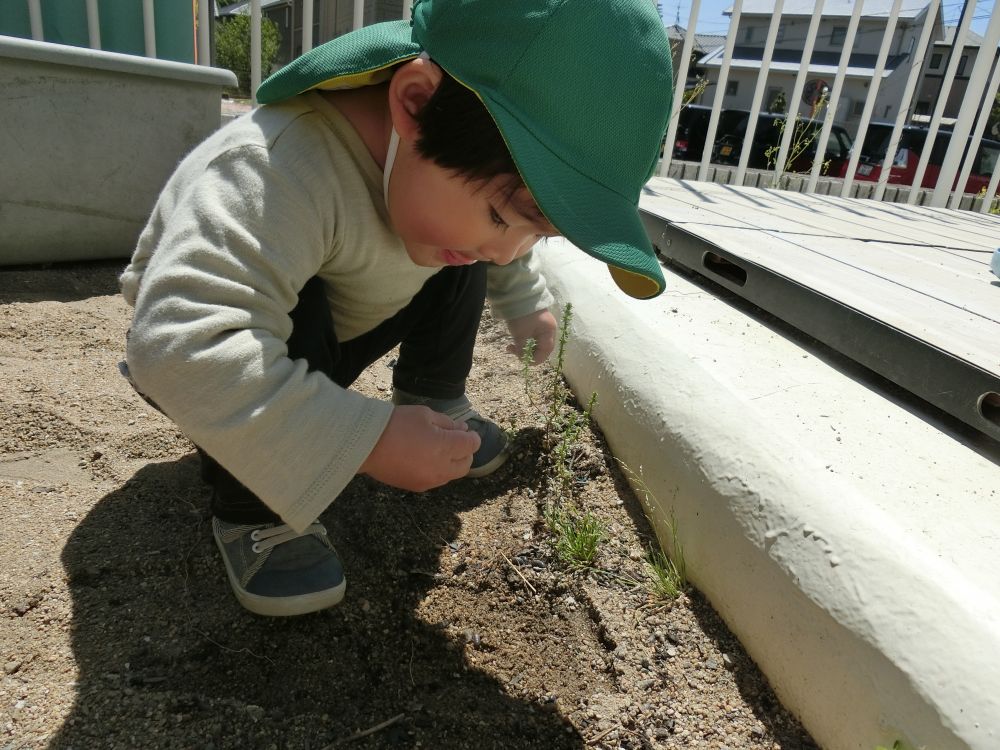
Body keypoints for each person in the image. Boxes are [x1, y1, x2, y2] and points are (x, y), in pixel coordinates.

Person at [119, 0, 673, 617]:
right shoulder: (275, 167)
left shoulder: (439, 177)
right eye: (503, 213)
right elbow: (177, 345)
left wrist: (524, 301)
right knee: (443, 242)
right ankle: (257, 509)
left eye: (537, 234)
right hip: (224, 348)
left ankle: (432, 398)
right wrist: (368, 440)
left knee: (461, 248)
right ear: (414, 102)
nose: (510, 245)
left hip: (351, 315)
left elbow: (501, 239)